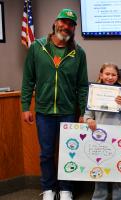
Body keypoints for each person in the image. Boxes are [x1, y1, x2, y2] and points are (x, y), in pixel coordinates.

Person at [21, 8, 88, 200]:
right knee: (47, 153)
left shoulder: (78, 53)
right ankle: (49, 189)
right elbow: (28, 80)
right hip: (44, 111)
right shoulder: (37, 47)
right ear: (55, 22)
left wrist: (83, 112)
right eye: (63, 22)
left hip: (68, 111)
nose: (66, 26)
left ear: (74, 28)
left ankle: (66, 189)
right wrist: (25, 107)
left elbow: (83, 86)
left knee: (69, 152)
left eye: (70, 24)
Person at [84, 63, 121, 200]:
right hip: (99, 136)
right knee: (99, 166)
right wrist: (89, 120)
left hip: (119, 136)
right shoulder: (93, 92)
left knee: (118, 168)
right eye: (107, 74)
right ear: (101, 75)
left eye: (113, 75)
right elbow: (87, 115)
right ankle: (99, 196)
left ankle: (119, 196)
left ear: (117, 77)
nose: (110, 77)